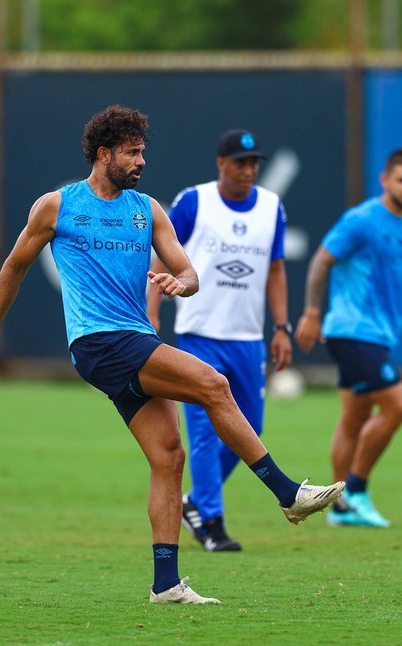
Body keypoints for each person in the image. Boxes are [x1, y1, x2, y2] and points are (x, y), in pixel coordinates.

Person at [0, 105, 344, 605]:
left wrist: (179, 284)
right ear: (103, 154)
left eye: (143, 152)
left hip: (132, 339)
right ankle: (287, 493)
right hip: (99, 341)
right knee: (214, 385)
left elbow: (189, 274)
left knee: (169, 456)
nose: (141, 161)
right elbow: (14, 267)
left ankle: (165, 584)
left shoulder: (148, 210)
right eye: (131, 152)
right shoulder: (57, 206)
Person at [146, 129, 293, 553]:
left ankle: (194, 501)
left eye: (254, 163)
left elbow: (276, 268)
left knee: (251, 427)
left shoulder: (271, 207)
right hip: (200, 333)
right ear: (221, 163)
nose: (248, 170)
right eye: (240, 162)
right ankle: (211, 521)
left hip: (247, 336)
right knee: (205, 435)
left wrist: (281, 327)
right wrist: (152, 311)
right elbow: (162, 255)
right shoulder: (194, 201)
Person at [294, 148, 402, 528]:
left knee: (354, 417)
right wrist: (312, 312)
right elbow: (322, 260)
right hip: (352, 331)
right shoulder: (361, 220)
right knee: (398, 406)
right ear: (385, 181)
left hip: (377, 335)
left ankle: (340, 507)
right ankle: (356, 490)